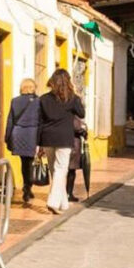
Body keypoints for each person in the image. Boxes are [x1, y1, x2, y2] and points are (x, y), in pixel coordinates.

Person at [38, 69, 85, 215]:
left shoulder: (43, 99)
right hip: (64, 138)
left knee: (55, 171)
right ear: (68, 82)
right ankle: (53, 202)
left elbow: (39, 121)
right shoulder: (72, 98)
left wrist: (38, 143)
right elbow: (82, 113)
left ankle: (63, 203)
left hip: (47, 137)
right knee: (60, 170)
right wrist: (76, 96)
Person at [5, 78, 41, 203]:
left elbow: (10, 120)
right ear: (33, 87)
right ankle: (28, 186)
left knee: (24, 162)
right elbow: (41, 120)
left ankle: (27, 186)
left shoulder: (15, 101)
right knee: (30, 161)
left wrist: (7, 137)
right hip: (32, 133)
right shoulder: (38, 101)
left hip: (18, 133)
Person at [66, 115, 87, 202]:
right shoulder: (73, 115)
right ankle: (68, 193)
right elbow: (76, 128)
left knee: (67, 171)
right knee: (71, 171)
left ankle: (67, 193)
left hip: (67, 143)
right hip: (73, 145)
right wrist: (83, 131)